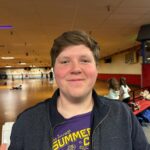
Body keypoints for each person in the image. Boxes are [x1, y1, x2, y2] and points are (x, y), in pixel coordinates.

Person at [3, 30, 149, 150]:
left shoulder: (123, 116)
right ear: (54, 70)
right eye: (65, 61)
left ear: (96, 69)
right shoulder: (27, 122)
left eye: (84, 60)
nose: (75, 69)